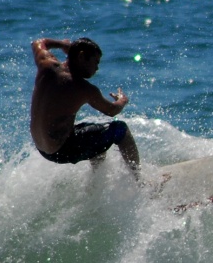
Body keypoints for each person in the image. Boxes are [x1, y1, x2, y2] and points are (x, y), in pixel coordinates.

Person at [29, 37, 140, 175]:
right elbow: (112, 110)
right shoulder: (83, 88)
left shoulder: (46, 65)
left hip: (41, 147)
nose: (97, 68)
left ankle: (97, 179)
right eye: (95, 62)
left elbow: (38, 43)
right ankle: (139, 180)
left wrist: (63, 44)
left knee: (95, 132)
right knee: (120, 129)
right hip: (62, 150)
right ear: (81, 56)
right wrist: (122, 100)